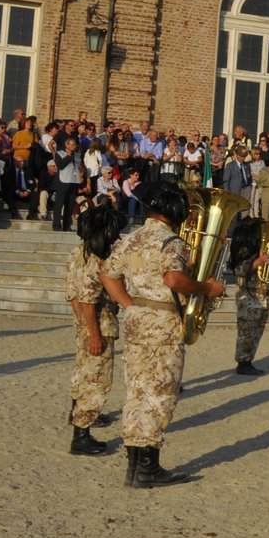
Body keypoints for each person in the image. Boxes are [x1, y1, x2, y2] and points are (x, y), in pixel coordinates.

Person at [99, 181, 224, 489]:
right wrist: (207, 288)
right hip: (161, 322)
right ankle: (148, 467)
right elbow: (174, 279)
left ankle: (134, 465)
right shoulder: (170, 241)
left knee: (137, 390)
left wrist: (129, 304)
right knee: (160, 393)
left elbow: (106, 273)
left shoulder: (131, 239)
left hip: (137, 317)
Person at [66, 203, 124, 456]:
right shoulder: (97, 260)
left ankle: (77, 413)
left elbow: (73, 295)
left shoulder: (79, 252)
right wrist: (94, 334)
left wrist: (82, 324)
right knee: (97, 381)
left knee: (84, 374)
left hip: (86, 323)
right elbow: (89, 300)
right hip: (99, 323)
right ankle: (81, 434)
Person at [231, 220, 269, 376]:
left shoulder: (261, 248)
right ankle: (243, 361)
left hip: (262, 293)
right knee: (246, 331)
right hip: (248, 294)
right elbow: (239, 270)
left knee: (257, 331)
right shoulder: (243, 252)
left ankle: (248, 359)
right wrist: (258, 262)